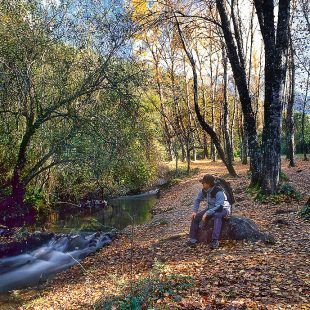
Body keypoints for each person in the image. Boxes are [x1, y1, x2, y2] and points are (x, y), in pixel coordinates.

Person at [186, 174, 231, 249]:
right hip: (211, 208)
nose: (202, 184)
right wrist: (194, 211)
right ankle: (193, 240)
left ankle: (215, 241)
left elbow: (219, 207)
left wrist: (207, 213)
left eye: (203, 183)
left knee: (217, 215)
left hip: (223, 209)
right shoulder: (204, 191)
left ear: (208, 184)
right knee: (195, 217)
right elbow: (197, 200)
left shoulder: (218, 192)